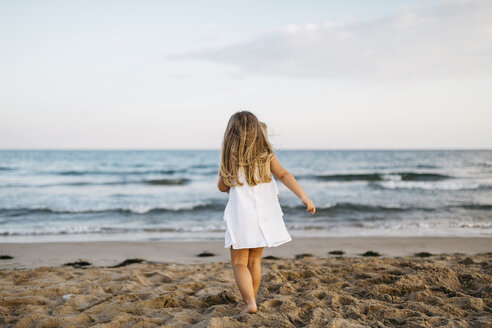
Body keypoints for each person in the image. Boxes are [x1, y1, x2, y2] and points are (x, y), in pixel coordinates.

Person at [217, 111, 316, 315]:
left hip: (242, 217)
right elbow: (284, 174)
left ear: (230, 135)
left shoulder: (231, 160)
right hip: (265, 216)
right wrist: (303, 196)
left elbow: (223, 187)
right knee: (254, 261)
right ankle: (251, 300)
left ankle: (250, 303)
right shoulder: (266, 156)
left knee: (238, 262)